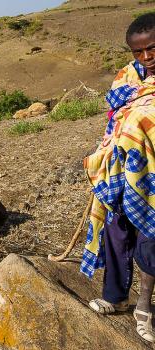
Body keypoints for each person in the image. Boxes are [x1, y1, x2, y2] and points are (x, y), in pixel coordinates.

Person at [83, 13, 155, 342]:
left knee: (149, 242)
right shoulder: (125, 80)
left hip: (151, 177)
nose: (146, 57)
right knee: (116, 233)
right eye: (138, 52)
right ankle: (114, 296)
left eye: (152, 48)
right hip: (122, 171)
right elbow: (116, 124)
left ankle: (143, 308)